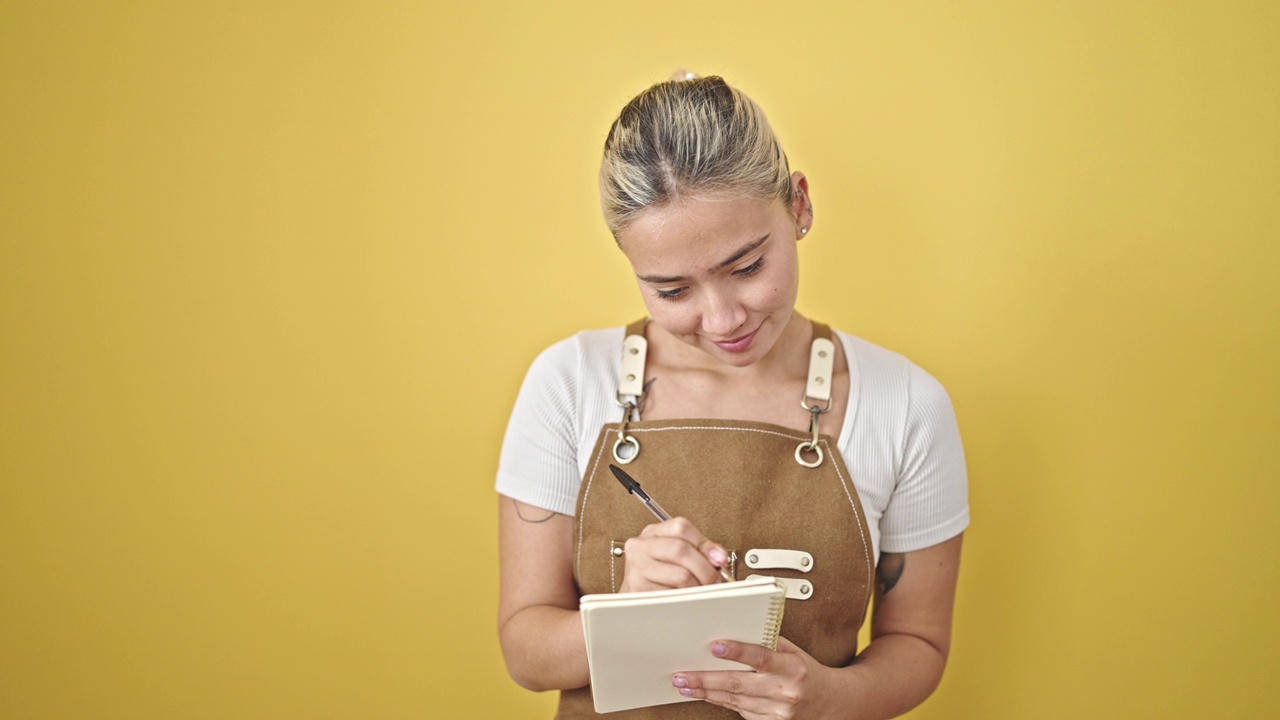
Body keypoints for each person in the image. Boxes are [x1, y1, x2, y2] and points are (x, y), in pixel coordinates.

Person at [496, 74, 969, 720]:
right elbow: (525, 649)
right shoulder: (567, 382)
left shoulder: (906, 405)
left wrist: (832, 699)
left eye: (746, 268)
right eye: (672, 291)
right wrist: (625, 618)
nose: (722, 321)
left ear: (799, 205)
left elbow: (917, 643)